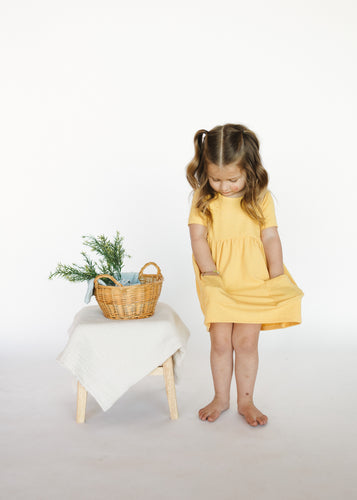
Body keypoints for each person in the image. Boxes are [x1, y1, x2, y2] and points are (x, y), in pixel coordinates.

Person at [186, 123, 304, 427]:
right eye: (215, 179)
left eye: (232, 179)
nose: (224, 187)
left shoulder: (260, 198)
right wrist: (209, 273)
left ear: (249, 170)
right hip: (217, 281)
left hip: (253, 280)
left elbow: (270, 238)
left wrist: (277, 278)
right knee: (221, 342)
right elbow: (198, 238)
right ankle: (221, 398)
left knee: (247, 343)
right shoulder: (203, 200)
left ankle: (246, 401)